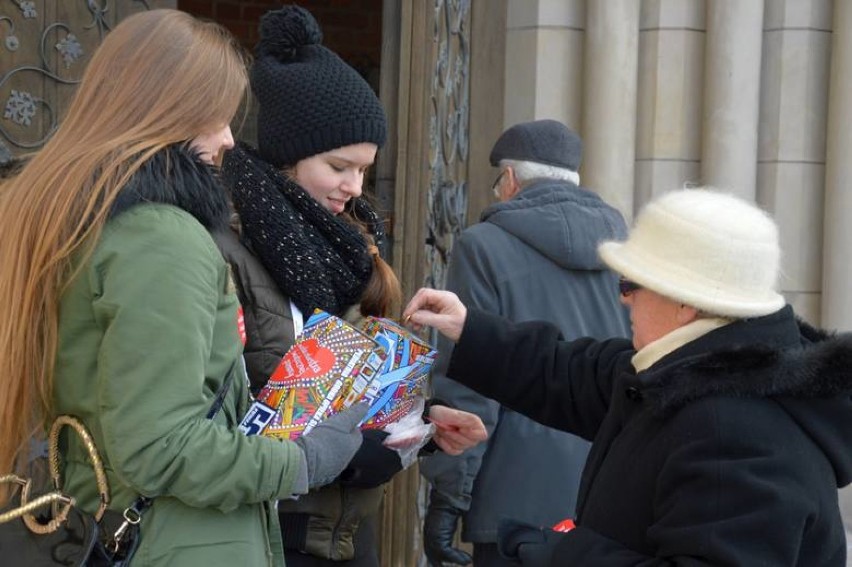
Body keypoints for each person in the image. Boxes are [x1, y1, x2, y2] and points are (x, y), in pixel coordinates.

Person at [0, 10, 377, 566]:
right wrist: (303, 462)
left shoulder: (75, 217)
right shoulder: (159, 236)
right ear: (166, 110)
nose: (228, 139)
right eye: (217, 118)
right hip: (176, 541)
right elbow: (160, 448)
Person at [403, 188, 852, 566]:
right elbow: (571, 373)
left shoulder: (737, 434)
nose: (624, 299)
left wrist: (562, 551)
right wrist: (471, 328)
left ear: (685, 303)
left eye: (631, 284)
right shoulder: (696, 372)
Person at [214, 6, 487, 567]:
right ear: (290, 154)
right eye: (340, 166)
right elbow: (218, 409)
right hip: (265, 532)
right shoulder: (227, 248)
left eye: (364, 169)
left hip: (347, 533)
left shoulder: (352, 246)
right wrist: (347, 447)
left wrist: (418, 424)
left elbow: (361, 378)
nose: (353, 187)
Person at [419, 119, 630, 567]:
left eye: (499, 183)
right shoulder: (625, 252)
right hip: (605, 495)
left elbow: (472, 385)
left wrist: (449, 498)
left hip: (512, 502)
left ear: (510, 180)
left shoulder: (484, 246)